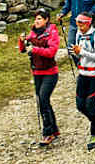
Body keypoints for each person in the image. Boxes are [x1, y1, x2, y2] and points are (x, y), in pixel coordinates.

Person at [17, 10, 60, 147]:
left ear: (46, 20)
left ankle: (47, 133)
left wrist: (34, 49)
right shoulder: (33, 33)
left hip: (50, 72)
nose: (36, 21)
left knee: (43, 99)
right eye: (36, 19)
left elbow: (51, 52)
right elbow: (23, 50)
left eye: (40, 19)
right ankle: (54, 130)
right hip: (37, 72)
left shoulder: (52, 32)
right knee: (43, 101)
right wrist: (22, 41)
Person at [67, 12, 95, 150]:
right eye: (77, 22)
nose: (79, 25)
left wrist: (81, 52)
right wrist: (74, 52)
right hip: (83, 74)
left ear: (88, 23)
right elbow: (79, 52)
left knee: (90, 105)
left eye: (81, 23)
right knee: (80, 105)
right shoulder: (79, 34)